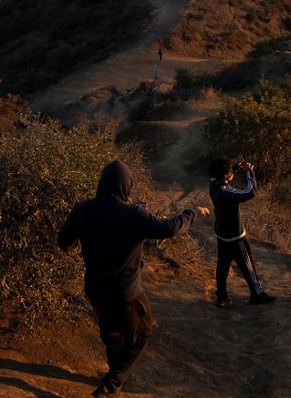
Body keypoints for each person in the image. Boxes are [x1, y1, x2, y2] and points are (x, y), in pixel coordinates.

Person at [58, 160, 210, 397]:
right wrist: (191, 213)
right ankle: (112, 383)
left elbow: (63, 242)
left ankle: (114, 375)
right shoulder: (132, 214)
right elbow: (170, 229)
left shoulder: (82, 209)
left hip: (95, 289)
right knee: (143, 332)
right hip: (125, 293)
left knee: (113, 336)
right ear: (125, 185)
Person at [208, 158, 275, 308]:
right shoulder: (228, 194)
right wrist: (249, 172)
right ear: (226, 177)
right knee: (247, 264)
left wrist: (235, 168)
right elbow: (250, 192)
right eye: (230, 172)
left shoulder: (213, 185)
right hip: (235, 236)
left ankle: (222, 297)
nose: (232, 174)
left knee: (223, 266)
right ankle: (257, 294)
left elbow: (223, 176)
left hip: (221, 233)